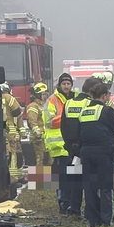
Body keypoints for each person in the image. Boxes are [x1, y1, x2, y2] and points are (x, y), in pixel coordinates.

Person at [78, 80, 114, 227]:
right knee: (106, 187)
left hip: (86, 153)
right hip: (103, 153)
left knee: (90, 188)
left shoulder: (84, 111)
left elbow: (78, 133)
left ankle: (94, 221)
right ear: (104, 96)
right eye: (108, 96)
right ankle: (107, 221)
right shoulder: (105, 111)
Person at [60, 77, 99, 218]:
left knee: (75, 179)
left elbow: (63, 126)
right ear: (92, 90)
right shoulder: (90, 104)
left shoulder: (69, 103)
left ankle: (74, 208)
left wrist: (69, 146)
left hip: (72, 148)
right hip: (86, 146)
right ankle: (90, 211)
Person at [43, 73, 75, 214]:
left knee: (74, 177)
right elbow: (49, 121)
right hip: (59, 146)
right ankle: (63, 205)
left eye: (68, 84)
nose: (66, 86)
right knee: (62, 179)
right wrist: (67, 117)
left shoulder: (76, 97)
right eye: (64, 84)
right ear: (59, 85)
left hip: (74, 146)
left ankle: (73, 205)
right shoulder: (52, 100)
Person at [0, 83, 24, 182]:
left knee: (3, 155)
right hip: (10, 130)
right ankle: (13, 179)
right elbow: (17, 111)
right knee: (12, 154)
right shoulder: (8, 97)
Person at [24, 83, 48, 168]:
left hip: (45, 138)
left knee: (47, 160)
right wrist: (38, 134)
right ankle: (39, 180)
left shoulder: (43, 105)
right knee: (40, 160)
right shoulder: (33, 106)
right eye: (43, 94)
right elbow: (32, 121)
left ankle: (47, 179)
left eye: (46, 94)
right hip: (38, 139)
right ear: (38, 95)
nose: (45, 96)